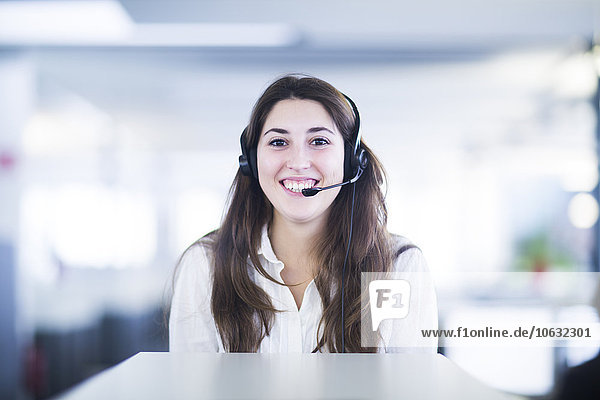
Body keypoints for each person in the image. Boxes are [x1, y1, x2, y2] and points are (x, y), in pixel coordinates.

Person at [169, 74, 438, 353]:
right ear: (251, 161)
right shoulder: (206, 265)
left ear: (351, 160)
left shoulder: (395, 267)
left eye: (319, 141)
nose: (298, 162)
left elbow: (407, 389)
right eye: (278, 142)